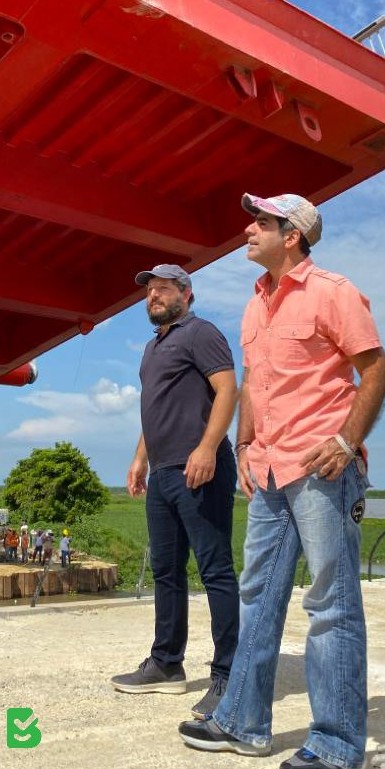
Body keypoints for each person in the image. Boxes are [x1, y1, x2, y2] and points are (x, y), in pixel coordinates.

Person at [178, 194, 385, 769]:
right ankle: (243, 722)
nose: (248, 229)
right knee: (258, 596)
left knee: (331, 604)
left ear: (291, 235)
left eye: (261, 223)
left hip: (322, 470)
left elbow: (376, 370)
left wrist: (347, 442)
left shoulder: (333, 291)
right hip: (269, 470)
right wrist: (244, 445)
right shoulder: (255, 304)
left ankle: (336, 745)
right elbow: (254, 382)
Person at [112, 263, 239, 717]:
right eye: (149, 292)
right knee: (167, 570)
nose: (153, 297)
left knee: (215, 570)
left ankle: (230, 677)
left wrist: (206, 448)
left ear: (186, 293)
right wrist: (139, 459)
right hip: (163, 472)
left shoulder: (201, 332)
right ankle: (166, 664)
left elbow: (228, 391)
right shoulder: (151, 349)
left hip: (200, 467)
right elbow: (156, 411)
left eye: (163, 290)